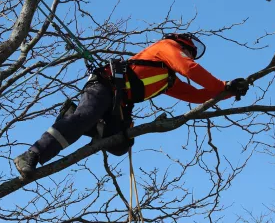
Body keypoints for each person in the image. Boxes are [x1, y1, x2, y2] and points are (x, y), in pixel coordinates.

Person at [13, 33, 250, 178]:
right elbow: (189, 69)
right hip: (105, 86)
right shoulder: (166, 47)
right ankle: (32, 155)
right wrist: (223, 83)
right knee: (84, 118)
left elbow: (197, 96)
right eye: (188, 51)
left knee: (120, 145)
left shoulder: (166, 79)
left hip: (119, 103)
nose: (188, 55)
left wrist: (228, 92)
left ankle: (90, 125)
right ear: (182, 44)